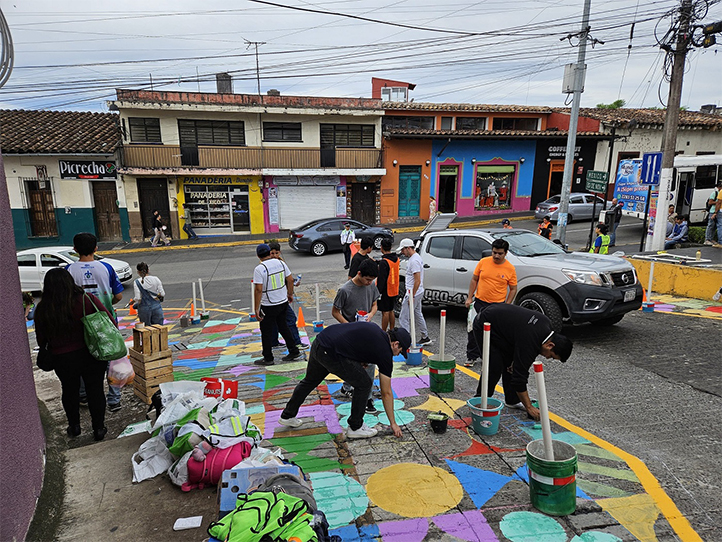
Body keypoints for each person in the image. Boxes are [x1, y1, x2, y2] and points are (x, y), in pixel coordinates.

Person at [277, 322, 410, 440]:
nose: (398, 354)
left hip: (320, 342)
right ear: (396, 344)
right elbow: (386, 392)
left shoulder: (375, 329)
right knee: (364, 384)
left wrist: (359, 361)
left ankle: (287, 415)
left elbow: (353, 342)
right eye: (400, 351)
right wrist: (393, 423)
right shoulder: (385, 352)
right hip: (331, 352)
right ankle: (355, 427)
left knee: (310, 381)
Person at [34, 268, 112, 441]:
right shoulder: (86, 300)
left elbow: (41, 339)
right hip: (91, 354)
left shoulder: (43, 309)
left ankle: (74, 426)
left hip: (62, 358)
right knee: (95, 390)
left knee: (69, 391)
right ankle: (99, 428)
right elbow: (109, 321)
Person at [472, 303, 573, 421]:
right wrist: (529, 407)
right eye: (551, 356)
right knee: (494, 365)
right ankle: (480, 400)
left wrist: (516, 363)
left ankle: (512, 399)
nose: (547, 358)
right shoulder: (531, 341)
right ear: (550, 345)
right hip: (485, 323)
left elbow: (522, 362)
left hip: (504, 328)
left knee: (511, 364)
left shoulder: (545, 328)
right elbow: (519, 377)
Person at [66, 232, 123, 412]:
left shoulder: (68, 270)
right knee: (112, 360)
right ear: (96, 248)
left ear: (75, 249)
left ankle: (83, 395)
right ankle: (114, 399)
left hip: (80, 324)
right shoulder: (106, 268)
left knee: (83, 359)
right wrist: (106, 304)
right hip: (106, 321)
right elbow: (118, 295)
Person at [333, 259, 381, 412]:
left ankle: (366, 397)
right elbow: (335, 312)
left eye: (372, 280)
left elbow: (375, 304)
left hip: (365, 330)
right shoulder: (345, 290)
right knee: (355, 363)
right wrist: (349, 326)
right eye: (367, 279)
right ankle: (353, 391)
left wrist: (370, 315)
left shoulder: (371, 286)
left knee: (369, 363)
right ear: (359, 273)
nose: (369, 283)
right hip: (351, 333)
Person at [464, 239, 517, 367]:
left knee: (494, 333)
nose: (496, 256)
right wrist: (469, 297)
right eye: (494, 253)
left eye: (500, 253)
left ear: (506, 253)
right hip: (480, 302)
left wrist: (507, 305)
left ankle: (489, 357)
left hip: (497, 306)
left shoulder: (510, 268)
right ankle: (472, 356)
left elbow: (513, 289)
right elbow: (474, 279)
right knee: (473, 330)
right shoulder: (483, 262)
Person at [253, 243, 305, 366]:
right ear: (269, 253)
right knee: (283, 326)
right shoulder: (281, 263)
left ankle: (268, 358)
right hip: (282, 302)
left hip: (268, 304)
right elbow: (290, 280)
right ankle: (294, 351)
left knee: (266, 331)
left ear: (258, 256)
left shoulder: (259, 269)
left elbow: (258, 289)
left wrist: (256, 308)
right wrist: (290, 294)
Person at [267, 241, 307, 352]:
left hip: (274, 299)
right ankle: (296, 342)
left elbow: (286, 279)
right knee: (290, 319)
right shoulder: (278, 264)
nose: (274, 255)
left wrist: (293, 283)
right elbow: (288, 280)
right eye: (272, 253)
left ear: (279, 252)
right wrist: (290, 293)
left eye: (276, 253)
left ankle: (274, 342)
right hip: (279, 298)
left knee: (275, 320)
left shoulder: (272, 264)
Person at [397, 238, 432, 345]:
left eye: (403, 250)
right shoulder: (416, 258)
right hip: (417, 291)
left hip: (413, 292)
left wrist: (411, 295)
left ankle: (405, 340)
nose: (402, 252)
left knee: (404, 317)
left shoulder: (414, 261)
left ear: (408, 248)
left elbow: (417, 280)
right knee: (417, 314)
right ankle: (425, 336)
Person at [377, 238, 400, 332]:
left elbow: (382, 278)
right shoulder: (396, 259)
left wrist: (378, 291)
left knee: (385, 312)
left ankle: (383, 331)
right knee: (391, 310)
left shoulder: (384, 262)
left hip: (386, 289)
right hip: (394, 288)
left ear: (381, 248)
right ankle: (392, 329)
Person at [704, 181, 722, 246]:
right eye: (719, 187)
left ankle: (711, 239)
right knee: (711, 226)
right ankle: (707, 239)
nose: (720, 188)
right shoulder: (715, 193)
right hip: (713, 211)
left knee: (715, 227)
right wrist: (717, 202)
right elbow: (710, 202)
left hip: (718, 211)